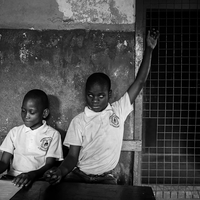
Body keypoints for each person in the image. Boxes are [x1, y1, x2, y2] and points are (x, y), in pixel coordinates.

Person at [44, 29, 159, 185]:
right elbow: (72, 157)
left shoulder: (119, 110)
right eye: (90, 95)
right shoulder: (79, 121)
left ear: (109, 94)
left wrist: (150, 49)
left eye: (101, 96)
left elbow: (139, 82)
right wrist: (60, 171)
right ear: (85, 94)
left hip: (106, 178)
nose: (95, 100)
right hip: (79, 175)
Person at [0, 89, 63, 187]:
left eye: (32, 112)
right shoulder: (15, 132)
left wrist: (31, 175)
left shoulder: (53, 134)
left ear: (44, 113)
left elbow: (49, 164)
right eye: (23, 111)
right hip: (13, 180)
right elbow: (4, 162)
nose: (26, 116)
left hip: (37, 180)